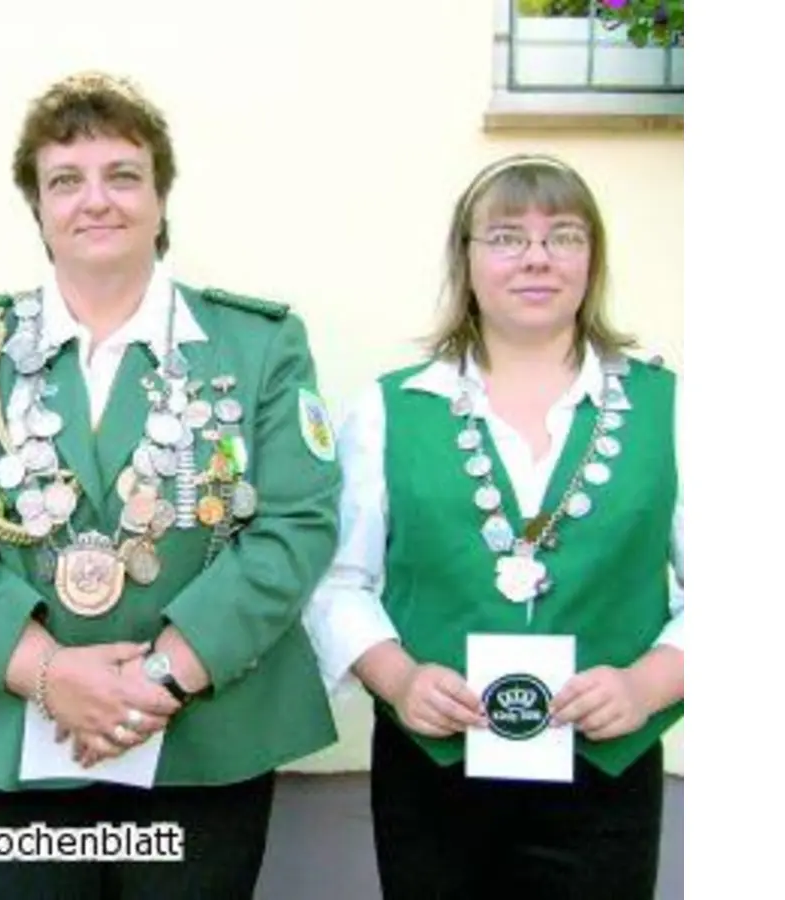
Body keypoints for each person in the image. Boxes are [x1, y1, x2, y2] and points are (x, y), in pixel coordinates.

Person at [0, 71, 343, 899]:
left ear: (162, 199)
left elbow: (297, 525)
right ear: (37, 207)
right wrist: (51, 674)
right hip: (10, 741)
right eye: (65, 180)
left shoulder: (258, 345)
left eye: (122, 175)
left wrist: (154, 680)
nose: (95, 201)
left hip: (205, 739)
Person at [304, 153, 684, 899]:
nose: (537, 256)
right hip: (434, 775)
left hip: (606, 775)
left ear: (592, 260)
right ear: (467, 260)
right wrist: (400, 677)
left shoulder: (672, 409)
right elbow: (336, 582)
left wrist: (644, 686)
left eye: (564, 236)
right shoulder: (390, 409)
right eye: (507, 236)